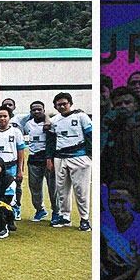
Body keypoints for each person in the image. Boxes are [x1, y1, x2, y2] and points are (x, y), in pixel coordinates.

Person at [102, 86, 140, 213]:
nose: (123, 106)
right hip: (116, 201)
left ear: (135, 106)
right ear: (113, 107)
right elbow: (103, 169)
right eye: (119, 104)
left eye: (127, 102)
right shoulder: (109, 134)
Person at [46, 92, 93, 230]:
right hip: (60, 158)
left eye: (64, 104)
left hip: (79, 157)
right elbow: (51, 141)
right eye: (58, 104)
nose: (61, 106)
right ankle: (65, 217)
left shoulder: (81, 117)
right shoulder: (54, 120)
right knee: (61, 190)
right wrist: (49, 158)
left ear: (70, 104)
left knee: (81, 190)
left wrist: (90, 155)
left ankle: (84, 219)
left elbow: (91, 135)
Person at [0, 105, 26, 220]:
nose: (2, 118)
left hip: (11, 165)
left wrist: (20, 170)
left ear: (9, 117)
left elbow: (21, 151)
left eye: (5, 116)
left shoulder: (16, 132)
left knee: (14, 188)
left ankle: (15, 208)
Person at [22, 101, 58, 223]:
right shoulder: (27, 125)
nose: (37, 111)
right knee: (34, 188)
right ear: (31, 112)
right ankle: (40, 210)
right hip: (33, 159)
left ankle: (56, 212)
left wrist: (50, 158)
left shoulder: (50, 124)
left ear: (43, 110)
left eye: (39, 109)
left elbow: (52, 141)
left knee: (52, 188)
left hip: (48, 160)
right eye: (34, 110)